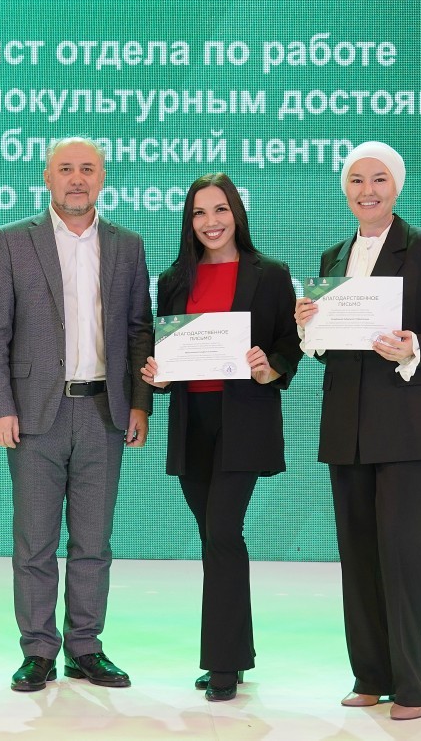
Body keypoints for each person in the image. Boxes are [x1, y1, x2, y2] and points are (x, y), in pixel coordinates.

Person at [295, 141, 421, 720]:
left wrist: (416, 345)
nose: (367, 190)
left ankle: (414, 688)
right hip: (346, 429)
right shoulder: (333, 257)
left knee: (401, 557)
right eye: (356, 180)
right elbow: (334, 347)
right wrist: (309, 327)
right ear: (344, 189)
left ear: (396, 186)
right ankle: (370, 676)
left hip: (406, 428)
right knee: (357, 558)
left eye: (378, 179)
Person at [0, 136, 154, 692]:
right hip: (35, 416)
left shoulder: (127, 245)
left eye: (88, 169)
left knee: (93, 543)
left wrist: (140, 403)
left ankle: (85, 648)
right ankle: (38, 650)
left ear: (102, 177)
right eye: (66, 169)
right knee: (34, 542)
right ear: (47, 177)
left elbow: (139, 330)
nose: (77, 179)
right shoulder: (12, 241)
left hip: (104, 411)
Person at [140, 173, 302, 701]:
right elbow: (167, 353)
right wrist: (158, 377)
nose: (210, 222)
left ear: (237, 214)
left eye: (220, 210)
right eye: (199, 213)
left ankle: (224, 664)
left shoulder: (270, 274)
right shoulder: (173, 280)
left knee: (224, 533)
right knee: (213, 539)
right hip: (193, 423)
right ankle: (233, 651)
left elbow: (289, 344)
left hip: (244, 422)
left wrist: (270, 367)